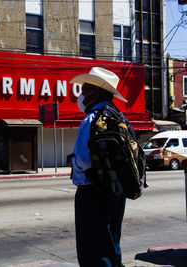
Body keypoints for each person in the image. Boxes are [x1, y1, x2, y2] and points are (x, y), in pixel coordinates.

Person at [67, 67, 129, 267]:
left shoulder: (92, 118)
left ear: (96, 91)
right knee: (111, 243)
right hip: (116, 188)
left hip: (93, 191)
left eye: (85, 88)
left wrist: (73, 162)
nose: (82, 93)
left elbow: (84, 160)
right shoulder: (117, 116)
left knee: (92, 248)